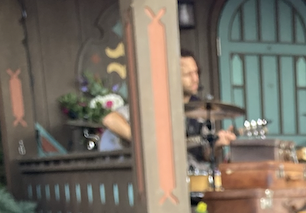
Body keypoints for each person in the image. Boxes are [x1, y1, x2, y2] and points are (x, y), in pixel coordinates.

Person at [101, 50, 236, 158]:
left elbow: (206, 155)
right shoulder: (154, 104)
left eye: (196, 72)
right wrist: (142, 143)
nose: (195, 79)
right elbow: (110, 119)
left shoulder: (202, 110)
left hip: (189, 175)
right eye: (188, 74)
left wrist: (217, 145)